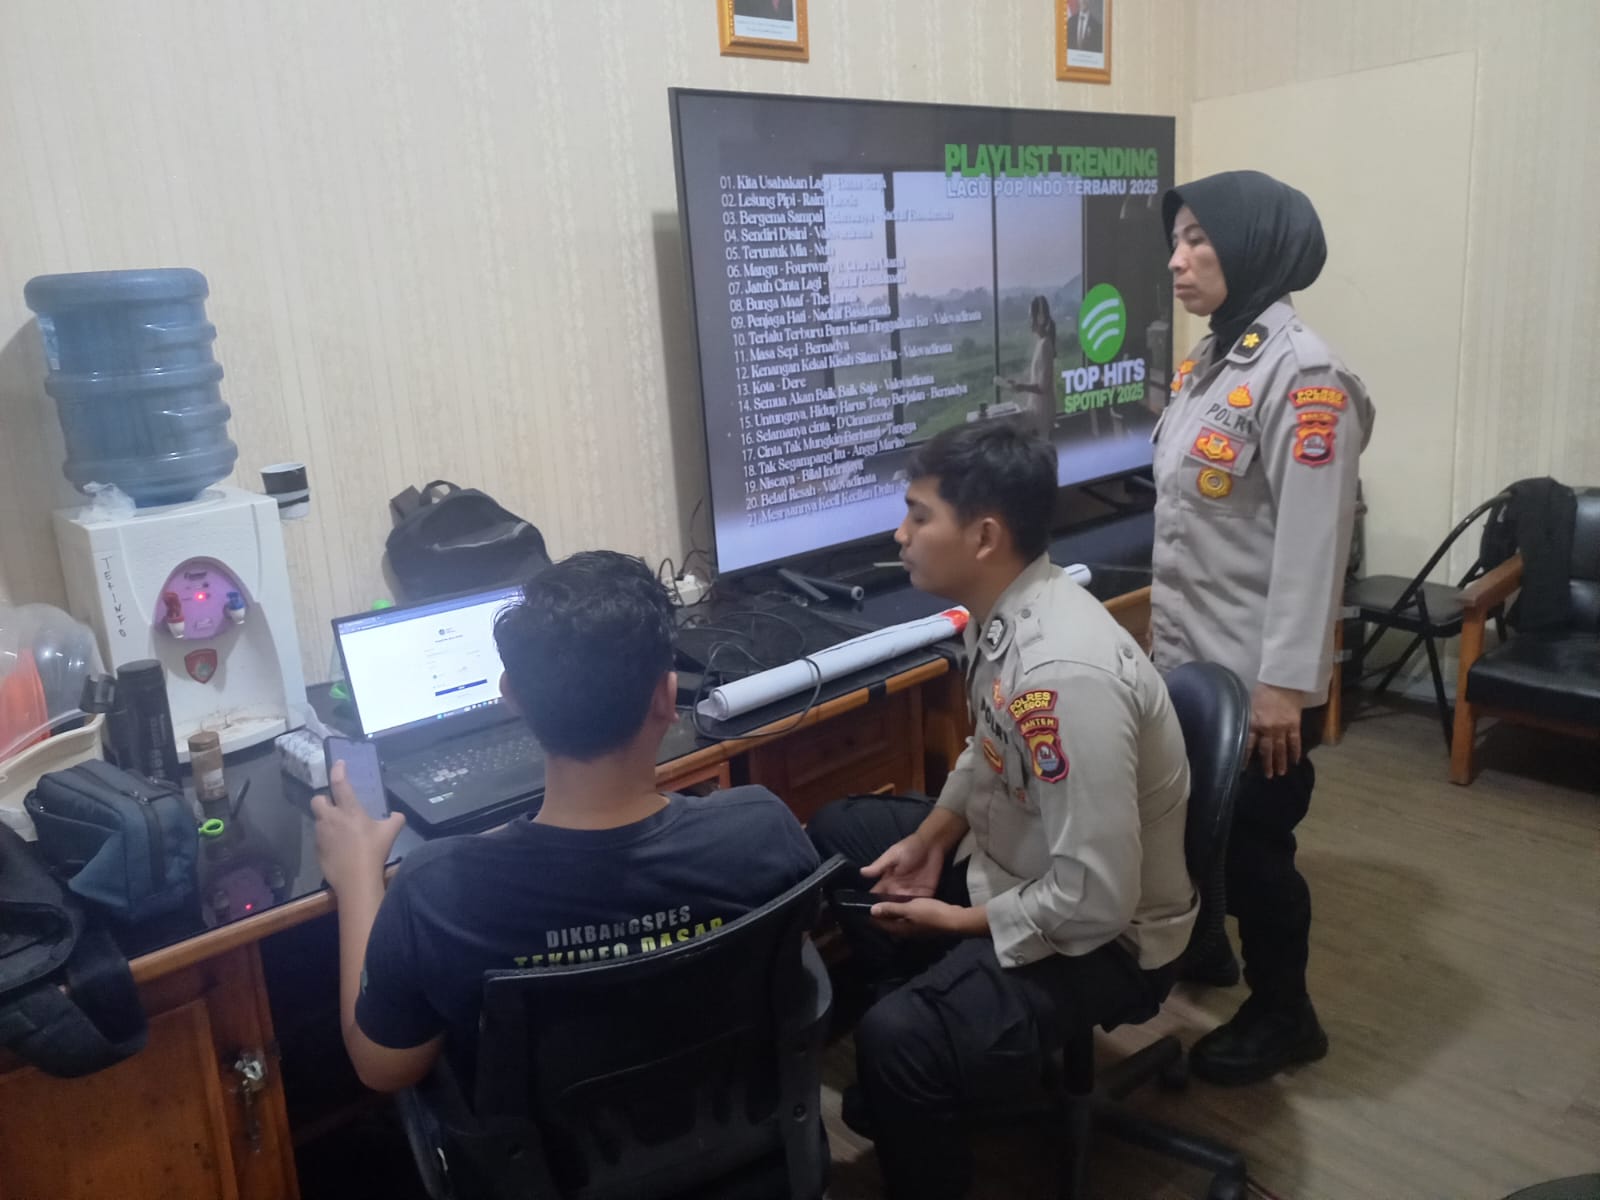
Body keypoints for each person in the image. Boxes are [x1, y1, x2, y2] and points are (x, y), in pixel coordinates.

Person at [806, 423, 1197, 1200]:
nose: (900, 534)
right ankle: (928, 1065)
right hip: (1030, 862)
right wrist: (931, 837)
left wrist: (956, 923)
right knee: (844, 832)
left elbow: (1095, 900)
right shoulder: (1006, 610)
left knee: (898, 1040)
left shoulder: (1062, 674)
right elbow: (989, 748)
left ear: (984, 536)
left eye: (919, 515)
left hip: (1112, 938)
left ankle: (918, 1058)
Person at [312, 550, 819, 1093]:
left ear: (512, 699)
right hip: (737, 1129)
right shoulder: (762, 830)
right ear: (668, 696)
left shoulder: (436, 893)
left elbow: (382, 1068)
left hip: (540, 1151)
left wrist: (360, 877)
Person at [1154, 170, 1375, 1085]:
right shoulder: (1212, 361)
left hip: (1257, 679)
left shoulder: (1304, 376)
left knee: (1255, 849)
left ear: (1252, 246)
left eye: (1199, 239)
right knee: (1195, 823)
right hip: (1192, 661)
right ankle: (1208, 946)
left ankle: (1288, 1014)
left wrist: (1285, 687)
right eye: (1175, 240)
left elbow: (1315, 550)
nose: (1178, 260)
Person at [1001, 294, 1058, 440]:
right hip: (1038, 411)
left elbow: (1043, 387)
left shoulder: (1045, 345)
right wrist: (1019, 384)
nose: (1029, 321)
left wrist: (1022, 387)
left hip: (1042, 414)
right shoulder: (1041, 343)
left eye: (1031, 317)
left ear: (1039, 318)